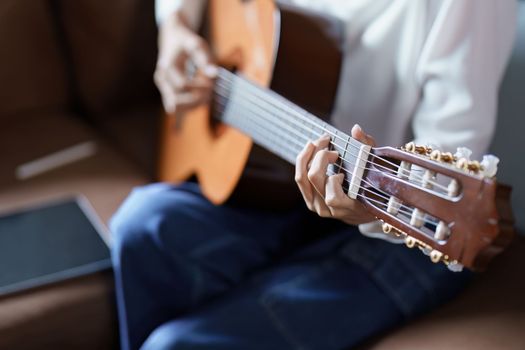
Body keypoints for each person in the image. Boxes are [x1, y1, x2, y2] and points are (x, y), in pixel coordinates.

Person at [110, 1, 518, 349]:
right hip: (276, 183)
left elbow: (446, 181)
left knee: (173, 345)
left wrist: (368, 211)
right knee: (142, 221)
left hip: (401, 231)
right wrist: (176, 28)